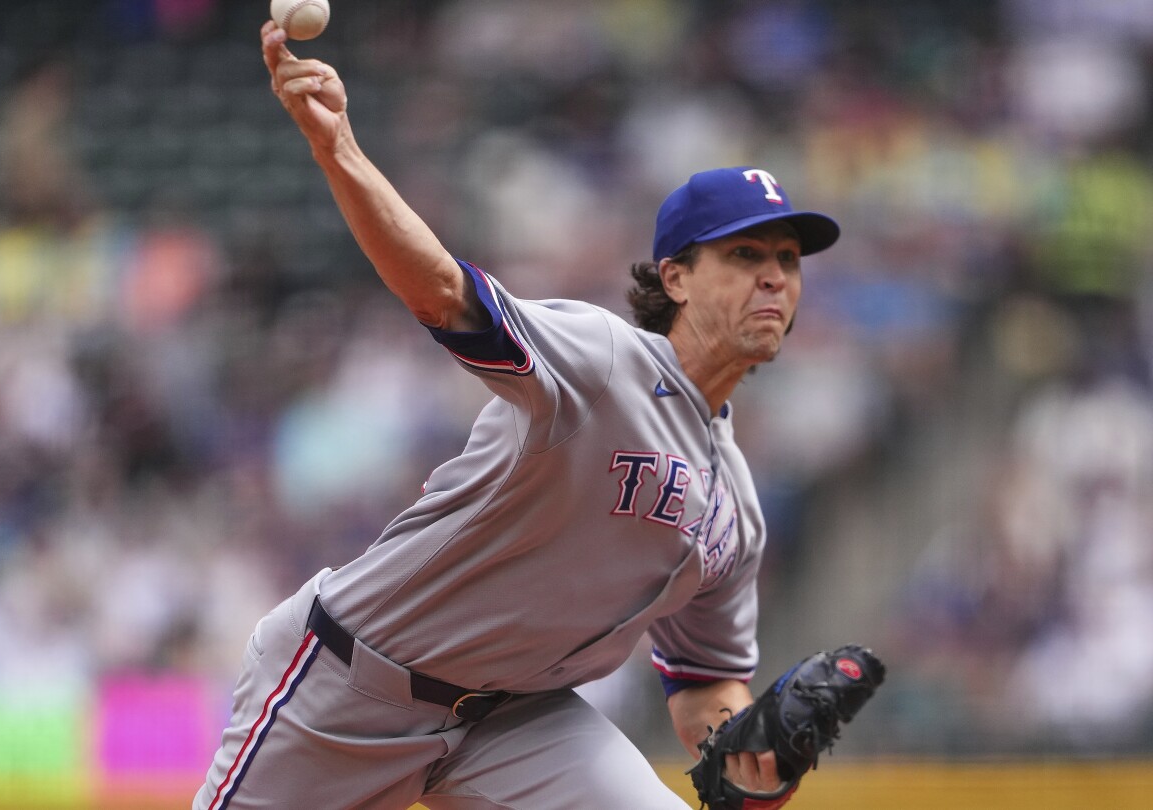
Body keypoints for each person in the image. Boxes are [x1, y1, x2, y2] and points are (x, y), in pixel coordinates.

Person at [192, 21, 842, 810]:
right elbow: (440, 292)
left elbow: (705, 685)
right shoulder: (603, 362)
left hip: (520, 724)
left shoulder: (736, 505)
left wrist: (753, 754)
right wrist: (342, 153)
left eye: (785, 261)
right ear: (675, 277)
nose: (774, 278)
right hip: (353, 690)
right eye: (745, 256)